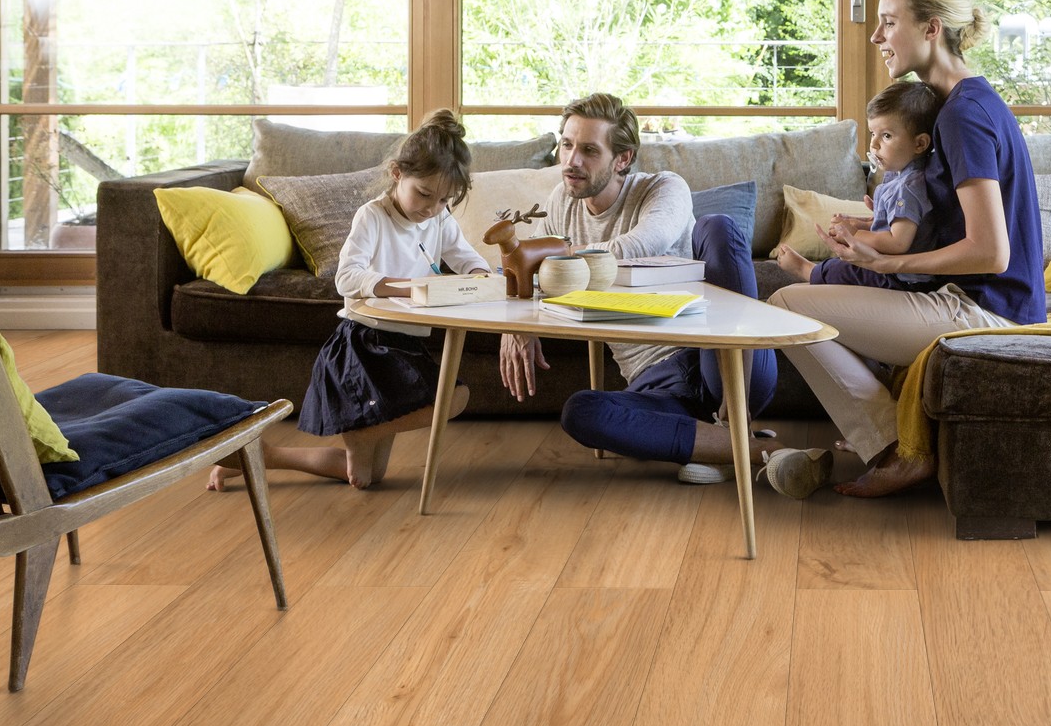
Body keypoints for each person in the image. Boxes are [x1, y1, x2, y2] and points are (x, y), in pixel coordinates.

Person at [767, 0, 1045, 498]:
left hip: (986, 312)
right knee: (809, 294)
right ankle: (892, 436)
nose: (876, 37)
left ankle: (898, 448)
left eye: (889, 22)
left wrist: (889, 261)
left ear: (931, 28)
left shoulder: (962, 115)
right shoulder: (957, 105)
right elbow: (946, 222)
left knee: (787, 304)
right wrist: (870, 228)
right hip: (975, 301)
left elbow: (992, 252)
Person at [498, 93, 823, 488]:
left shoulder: (664, 188)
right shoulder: (561, 203)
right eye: (566, 145)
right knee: (581, 412)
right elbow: (530, 273)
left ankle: (731, 420)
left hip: (718, 355)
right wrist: (516, 325)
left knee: (718, 226)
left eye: (589, 150)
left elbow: (641, 244)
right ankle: (747, 448)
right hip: (657, 382)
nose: (571, 161)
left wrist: (559, 256)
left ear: (623, 158)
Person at [208, 109, 487, 492]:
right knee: (446, 403)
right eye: (424, 194)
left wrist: (479, 275)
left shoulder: (438, 219)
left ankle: (258, 455)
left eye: (444, 200)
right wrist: (408, 287)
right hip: (366, 345)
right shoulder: (372, 216)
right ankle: (360, 430)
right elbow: (346, 278)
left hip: (406, 344)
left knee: (372, 474)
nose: (431, 208)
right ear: (397, 173)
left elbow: (467, 257)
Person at [773, 80, 944, 290]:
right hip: (896, 271)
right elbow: (897, 227)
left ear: (919, 143)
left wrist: (854, 235)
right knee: (847, 263)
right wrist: (859, 224)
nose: (874, 144)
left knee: (845, 268)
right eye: (873, 133)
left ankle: (807, 270)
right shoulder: (899, 175)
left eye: (887, 136)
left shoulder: (907, 188)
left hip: (902, 279)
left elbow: (898, 242)